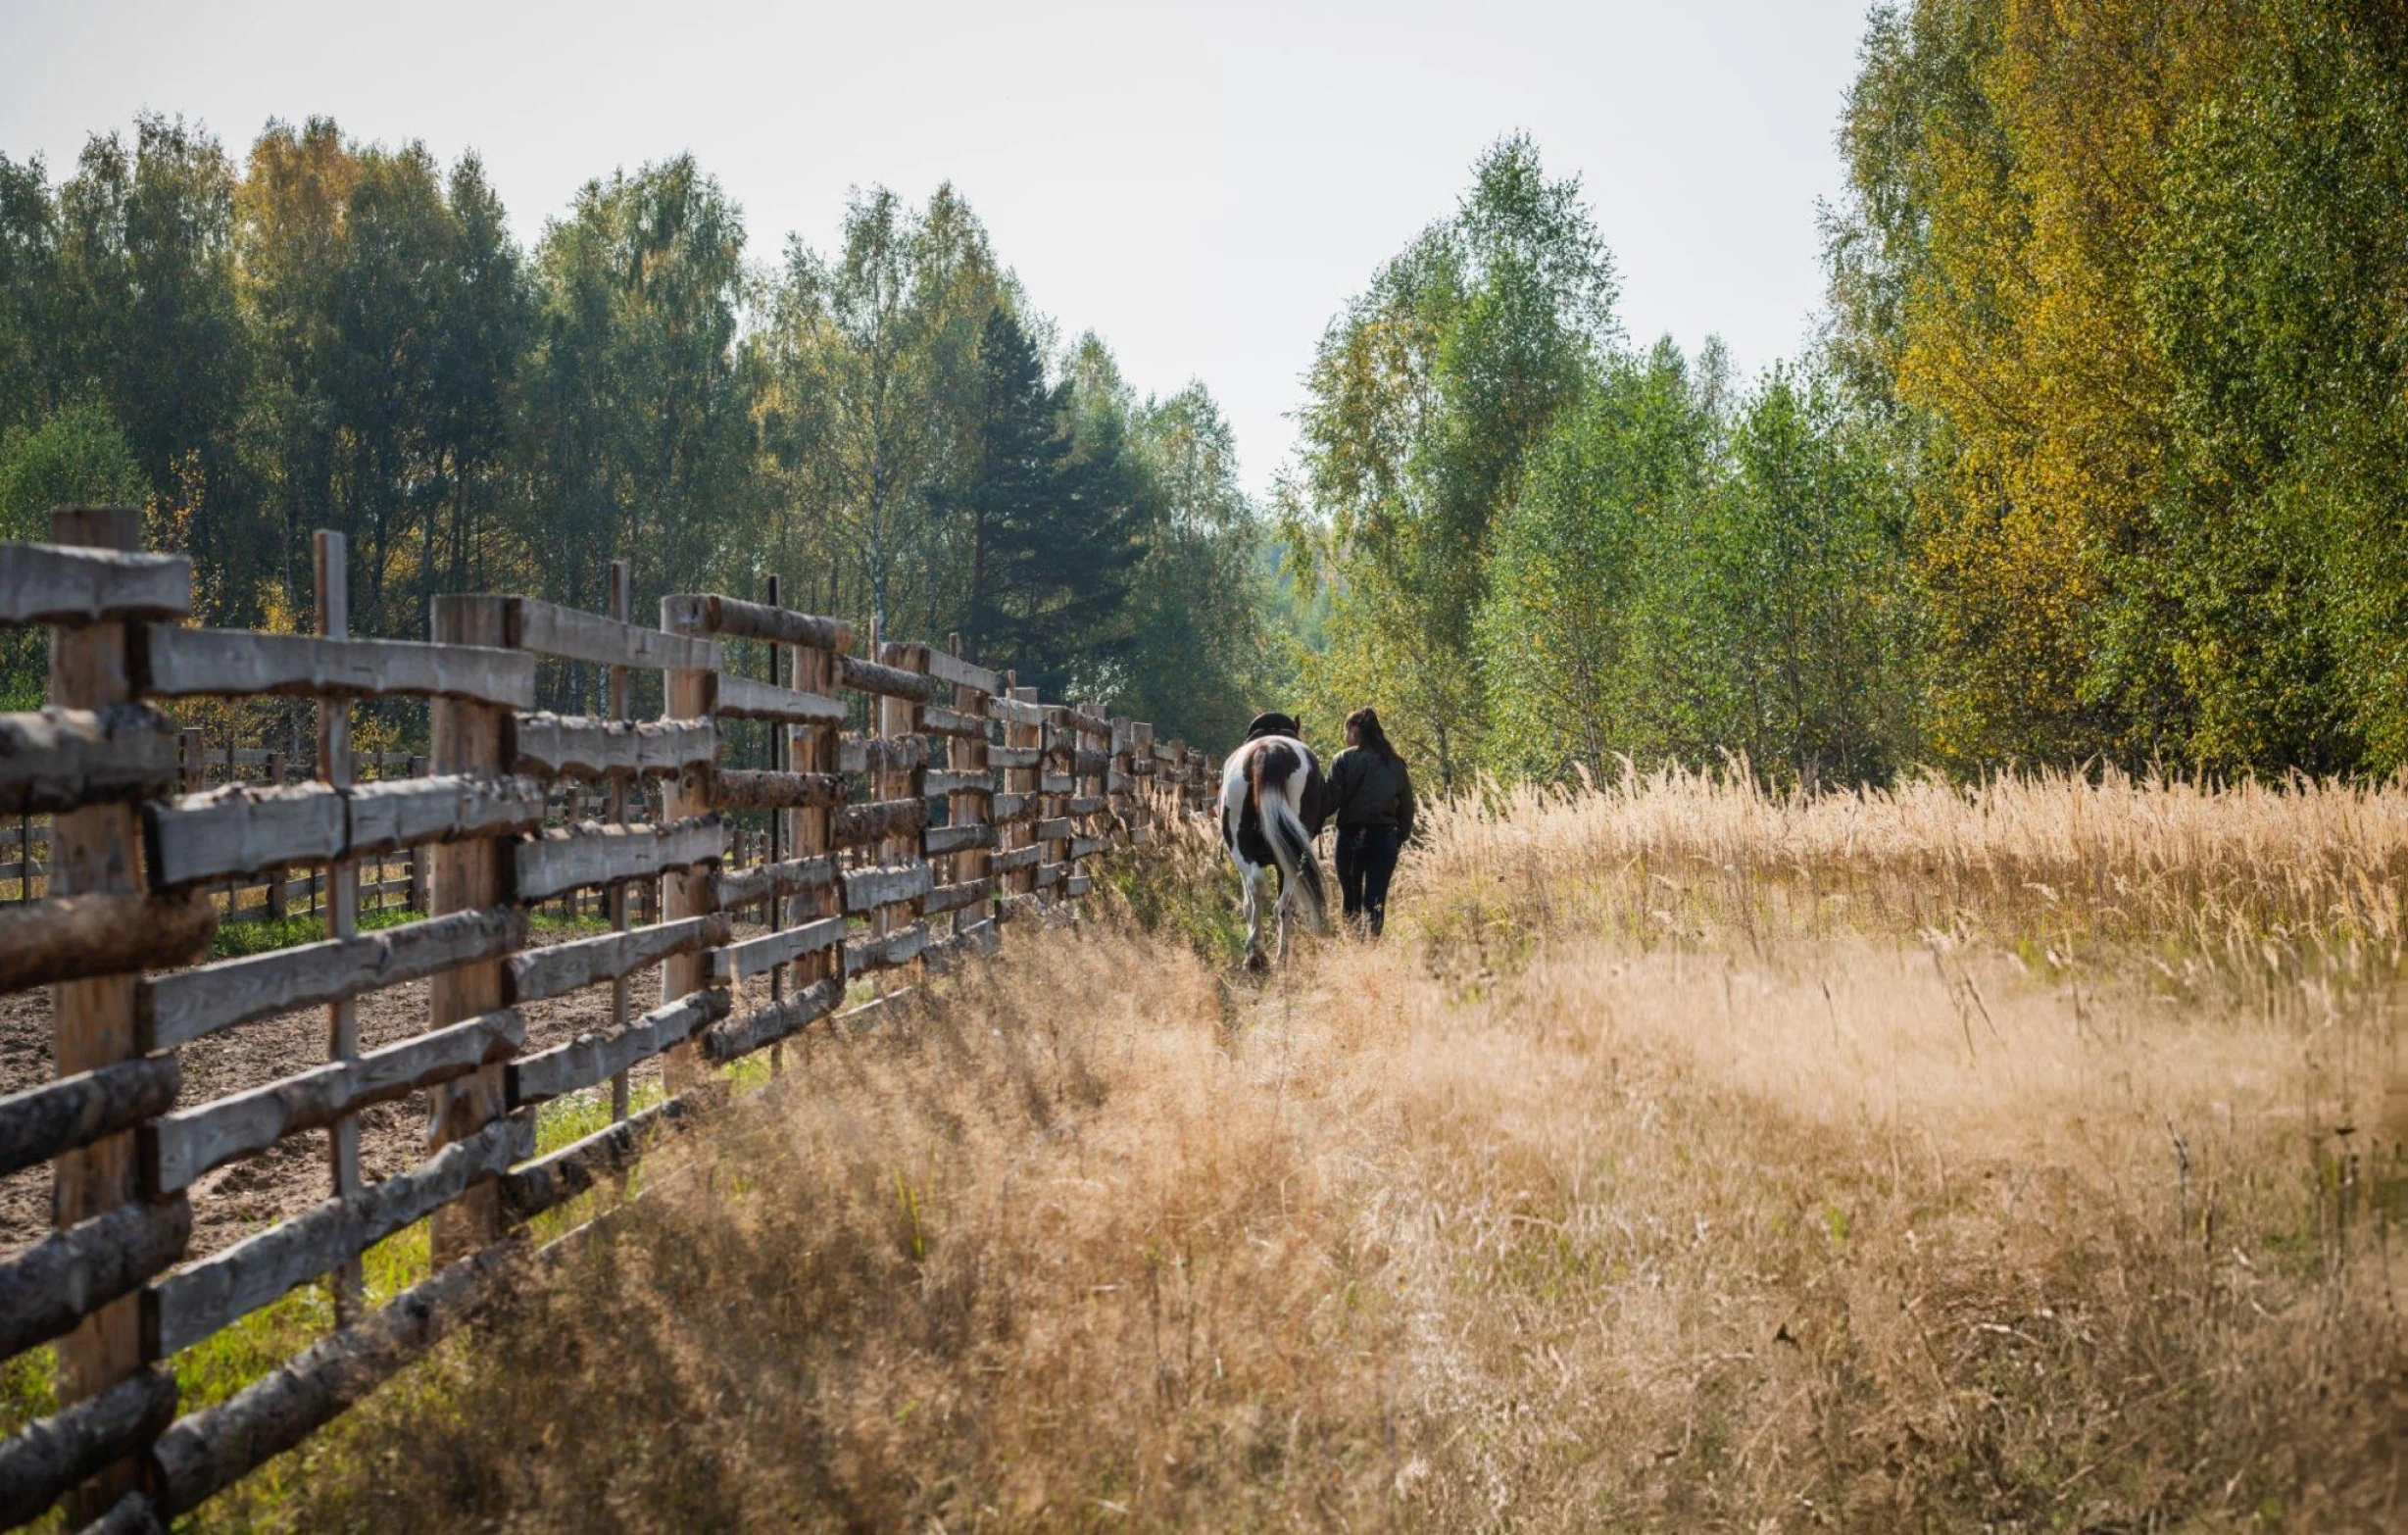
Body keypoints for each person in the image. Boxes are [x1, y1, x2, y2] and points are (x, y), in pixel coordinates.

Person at [1324, 706, 1414, 937]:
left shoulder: (1343, 759)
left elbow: (1330, 803)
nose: (1345, 737)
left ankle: (1354, 947)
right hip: (1384, 838)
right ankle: (1371, 947)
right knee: (1376, 898)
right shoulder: (1396, 764)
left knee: (1351, 897)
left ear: (1354, 730)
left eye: (1346, 731)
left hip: (1350, 837)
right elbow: (1407, 807)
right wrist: (1398, 838)